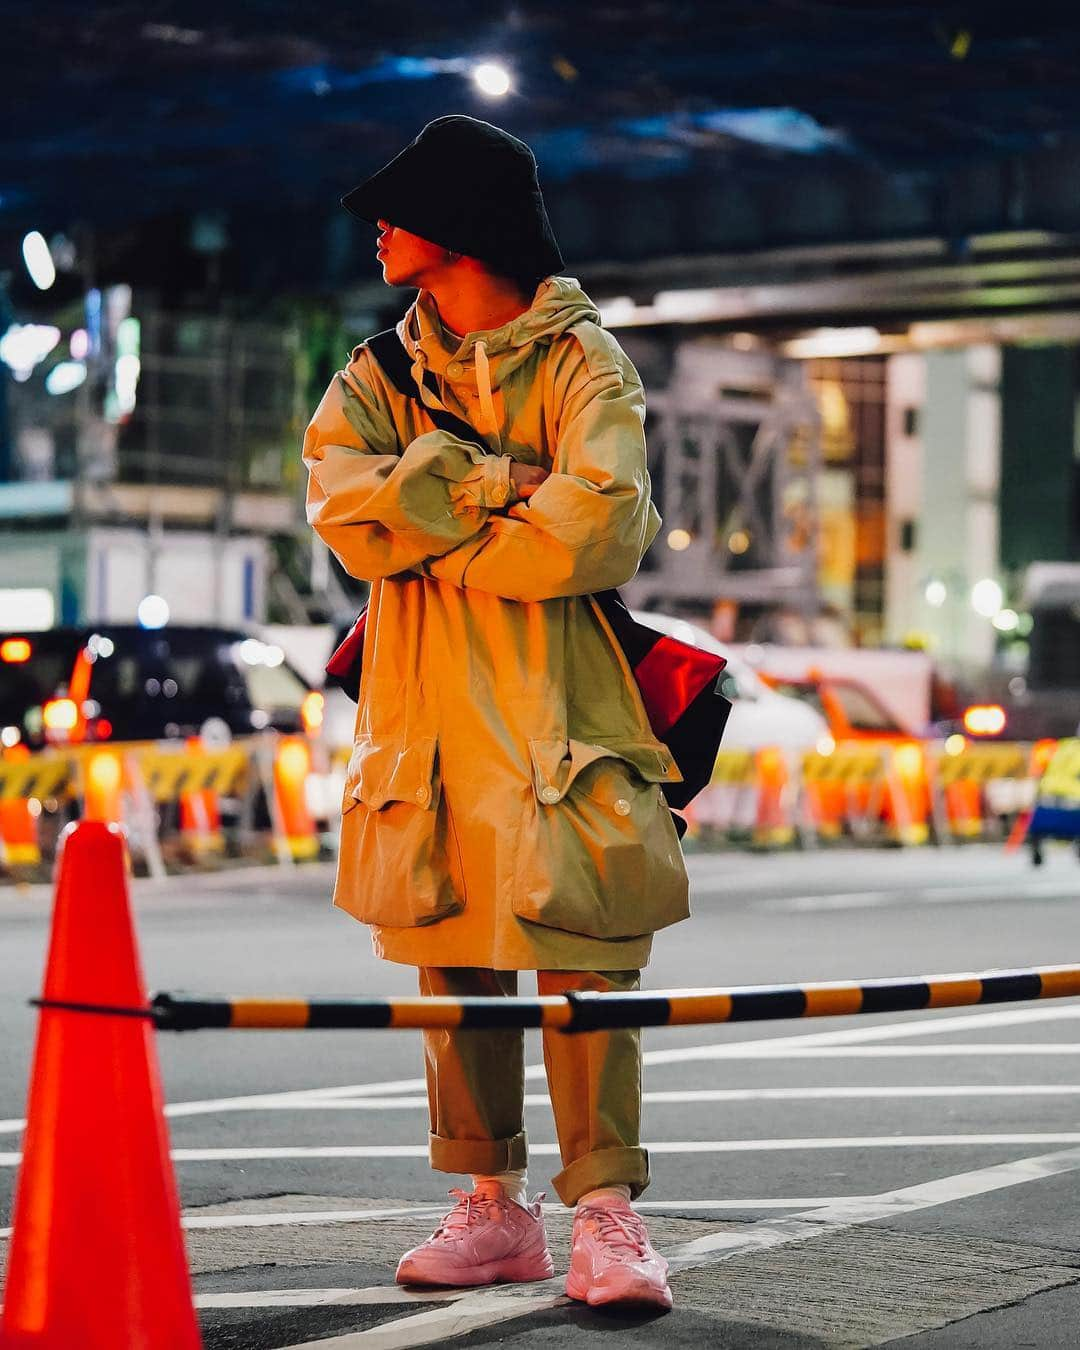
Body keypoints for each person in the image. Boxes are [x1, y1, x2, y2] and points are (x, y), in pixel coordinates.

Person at [303, 114, 689, 1310]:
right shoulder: (376, 372)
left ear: (460, 226)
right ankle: (490, 1209)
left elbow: (601, 532)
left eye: (399, 206)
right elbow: (341, 508)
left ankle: (608, 1219)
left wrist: (432, 530)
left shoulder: (586, 362)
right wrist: (498, 483)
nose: (377, 226)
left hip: (557, 714)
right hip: (426, 717)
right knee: (453, 958)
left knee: (582, 961)